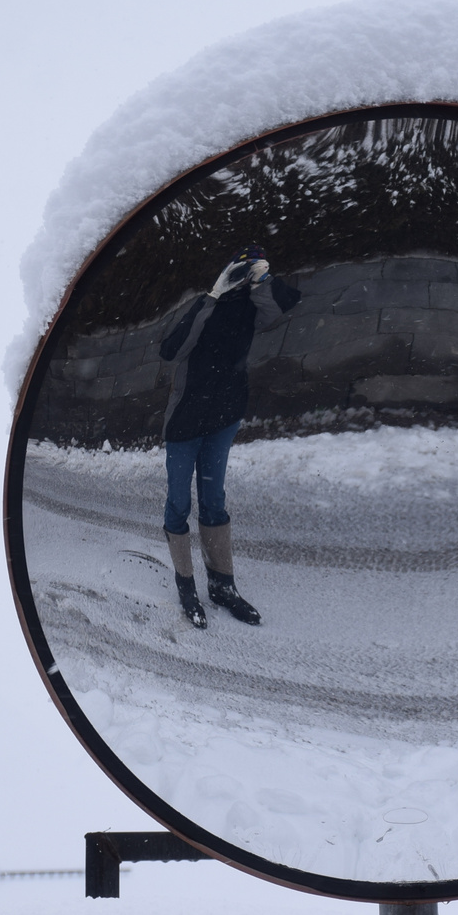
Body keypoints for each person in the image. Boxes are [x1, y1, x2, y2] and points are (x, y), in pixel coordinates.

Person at [158, 245, 301, 628]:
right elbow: (171, 350)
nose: (240, 277)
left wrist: (263, 281)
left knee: (214, 501)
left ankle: (223, 586)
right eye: (238, 270)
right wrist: (214, 294)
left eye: (245, 270)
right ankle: (186, 587)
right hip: (185, 422)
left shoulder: (252, 305)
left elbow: (279, 309)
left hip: (224, 417)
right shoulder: (205, 306)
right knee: (177, 503)